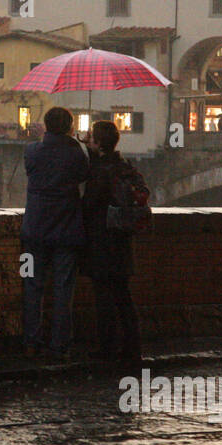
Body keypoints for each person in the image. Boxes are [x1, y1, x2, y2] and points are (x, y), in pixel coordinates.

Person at [20, 106, 89, 359]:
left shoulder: (31, 151)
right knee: (63, 289)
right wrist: (77, 142)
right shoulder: (76, 154)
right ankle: (60, 345)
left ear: (46, 126)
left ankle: (31, 342)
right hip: (66, 231)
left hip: (34, 232)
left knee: (31, 286)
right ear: (70, 126)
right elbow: (84, 175)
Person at [81, 120, 142, 366]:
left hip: (102, 242)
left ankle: (107, 348)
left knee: (104, 298)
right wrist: (92, 151)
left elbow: (89, 204)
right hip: (123, 240)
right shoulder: (124, 166)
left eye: (92, 138)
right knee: (123, 296)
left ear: (98, 143)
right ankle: (132, 347)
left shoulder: (100, 171)